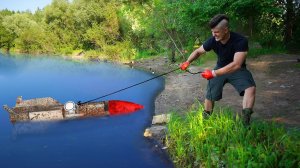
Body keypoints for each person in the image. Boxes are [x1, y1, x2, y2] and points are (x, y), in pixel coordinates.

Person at [180, 14, 256, 125]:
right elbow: (198, 52)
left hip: (237, 70)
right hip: (220, 67)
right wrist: (187, 62)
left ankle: (245, 122)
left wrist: (213, 73)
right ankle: (206, 121)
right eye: (212, 31)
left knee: (250, 89)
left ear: (226, 30)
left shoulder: (241, 41)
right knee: (210, 94)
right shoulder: (213, 40)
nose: (213, 35)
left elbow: (236, 65)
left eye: (216, 32)